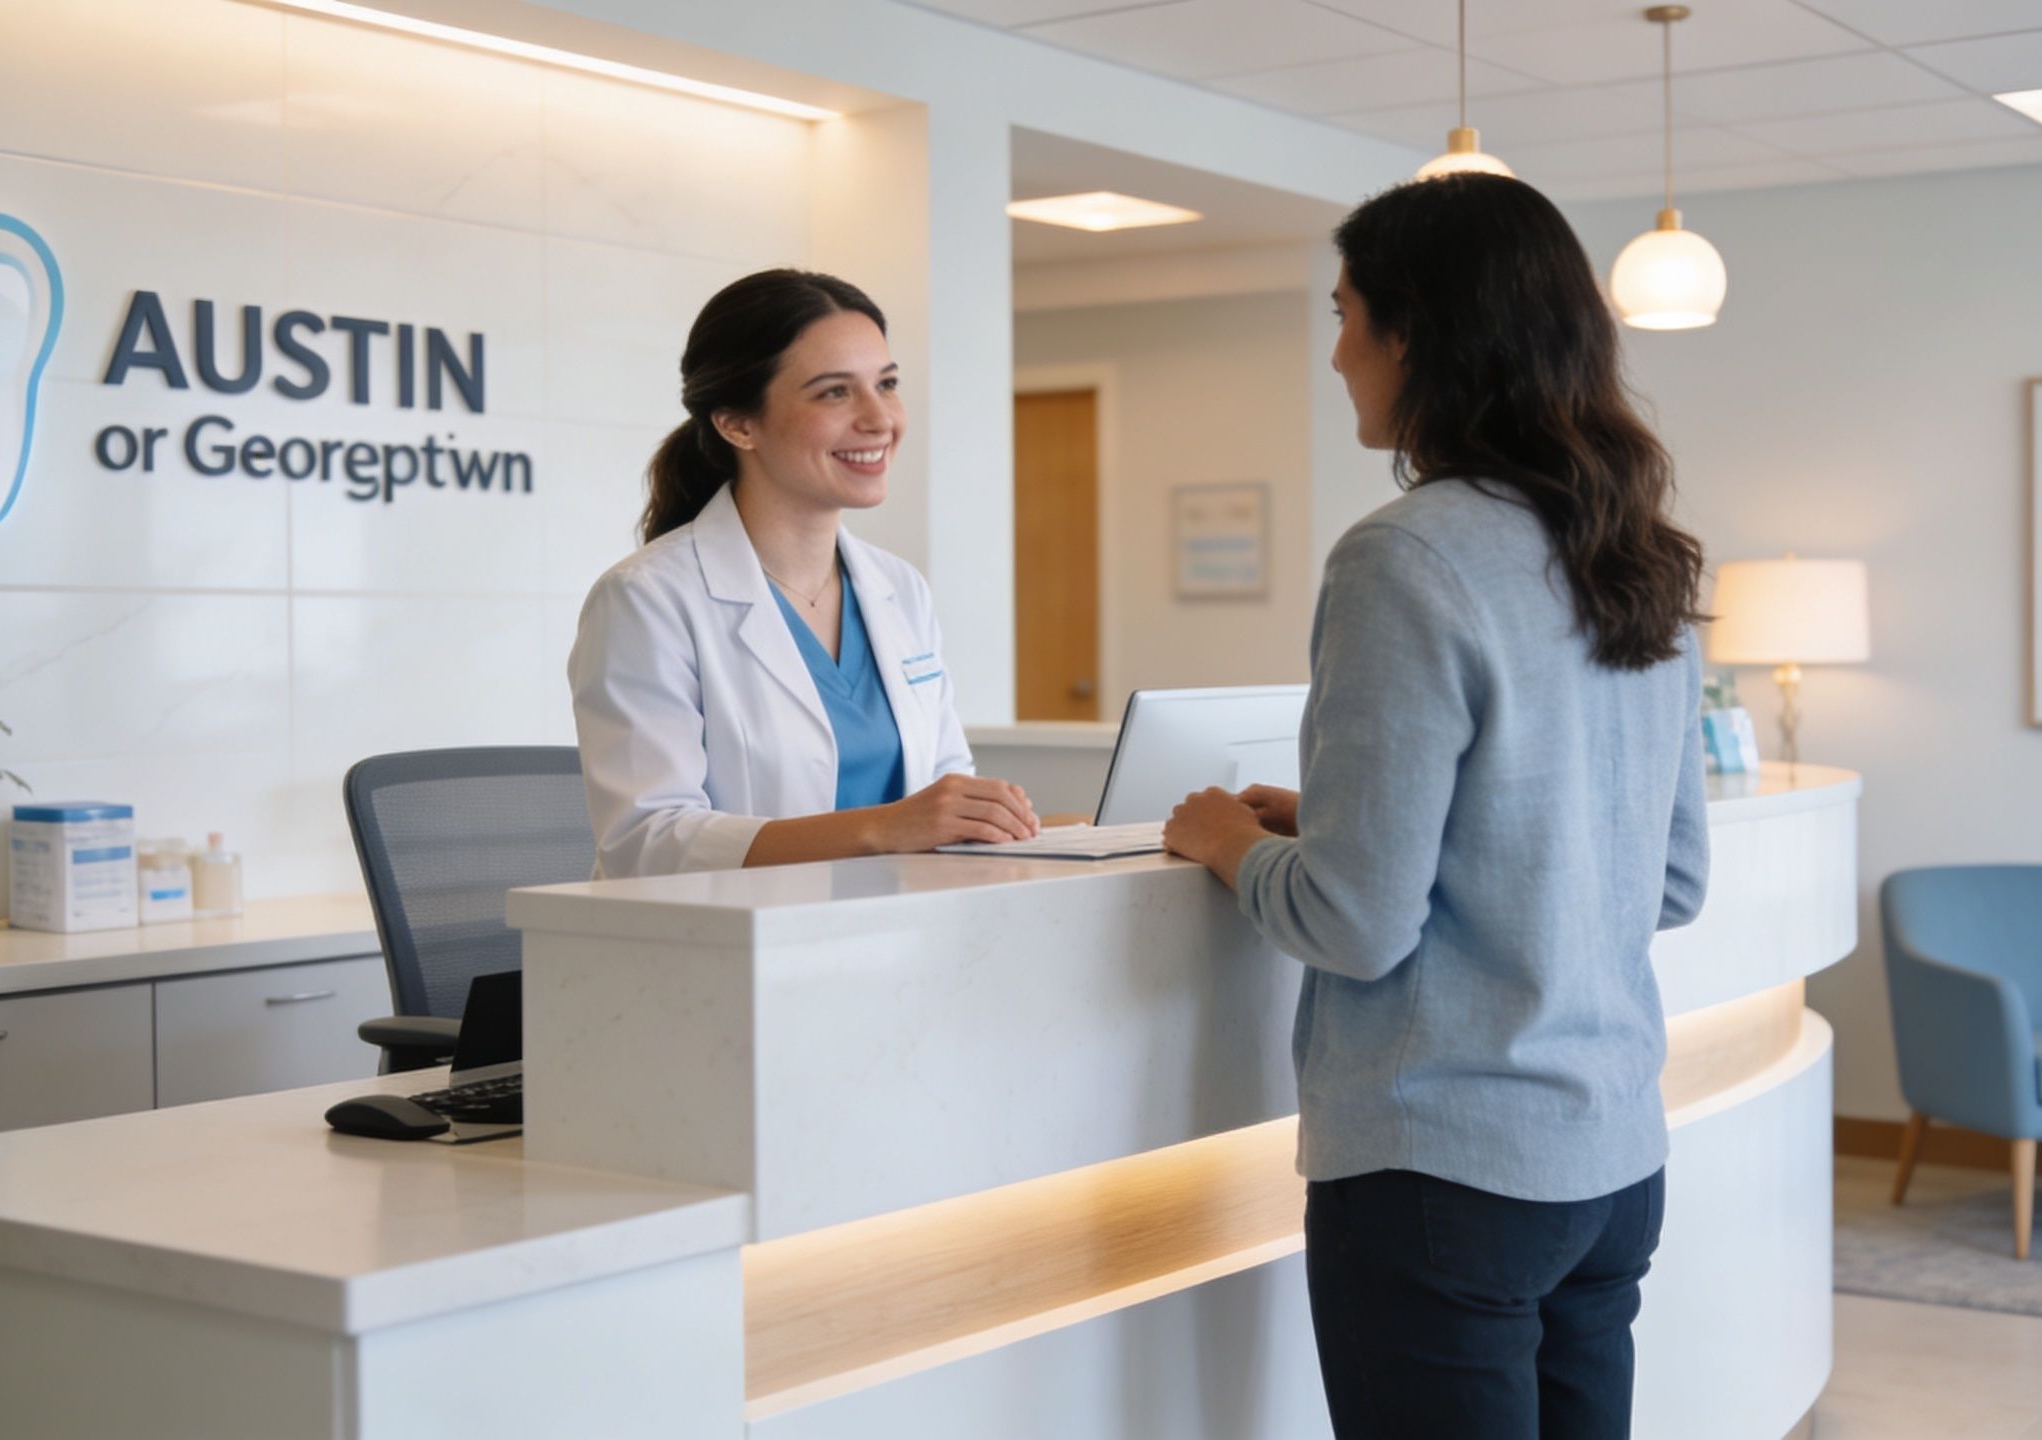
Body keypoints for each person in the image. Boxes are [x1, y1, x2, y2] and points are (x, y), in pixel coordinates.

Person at [1160, 174, 1712, 1439]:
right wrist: (1334, 817)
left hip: (1440, 1168)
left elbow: (1355, 926)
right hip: (1611, 1161)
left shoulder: (1404, 556)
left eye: (1347, 311)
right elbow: (1667, 879)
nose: (1335, 349)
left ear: (1417, 331)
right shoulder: (1636, 547)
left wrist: (1231, 843)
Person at [571, 269, 1039, 876]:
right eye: (834, 392)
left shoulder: (899, 589)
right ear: (738, 424)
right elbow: (648, 841)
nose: (880, 419)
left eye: (886, 384)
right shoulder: (647, 600)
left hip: (901, 937)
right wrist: (883, 829)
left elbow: (946, 795)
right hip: (727, 952)